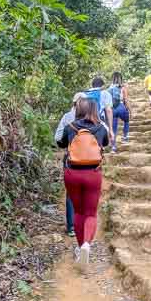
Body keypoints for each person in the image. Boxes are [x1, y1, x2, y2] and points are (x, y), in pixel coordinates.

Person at [56, 96, 110, 267]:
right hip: (93, 174)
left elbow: (60, 143)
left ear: (78, 110)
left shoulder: (70, 127)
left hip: (72, 173)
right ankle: (87, 243)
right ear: (94, 110)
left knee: (78, 212)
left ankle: (80, 247)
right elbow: (106, 143)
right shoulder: (101, 128)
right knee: (91, 213)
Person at [54, 93, 85, 237]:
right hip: (90, 161)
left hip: (72, 159)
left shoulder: (67, 117)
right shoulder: (93, 118)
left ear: (74, 103)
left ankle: (72, 226)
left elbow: (58, 138)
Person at [83, 76, 114, 141]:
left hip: (83, 121)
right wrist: (110, 129)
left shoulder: (84, 94)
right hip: (98, 120)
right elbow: (108, 110)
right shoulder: (105, 93)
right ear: (102, 86)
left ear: (92, 85)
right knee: (100, 143)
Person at [109, 72, 131, 147]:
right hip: (121, 107)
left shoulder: (109, 88)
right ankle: (125, 136)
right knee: (126, 120)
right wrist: (130, 111)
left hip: (113, 109)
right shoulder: (123, 87)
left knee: (114, 128)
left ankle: (113, 147)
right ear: (121, 79)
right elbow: (126, 100)